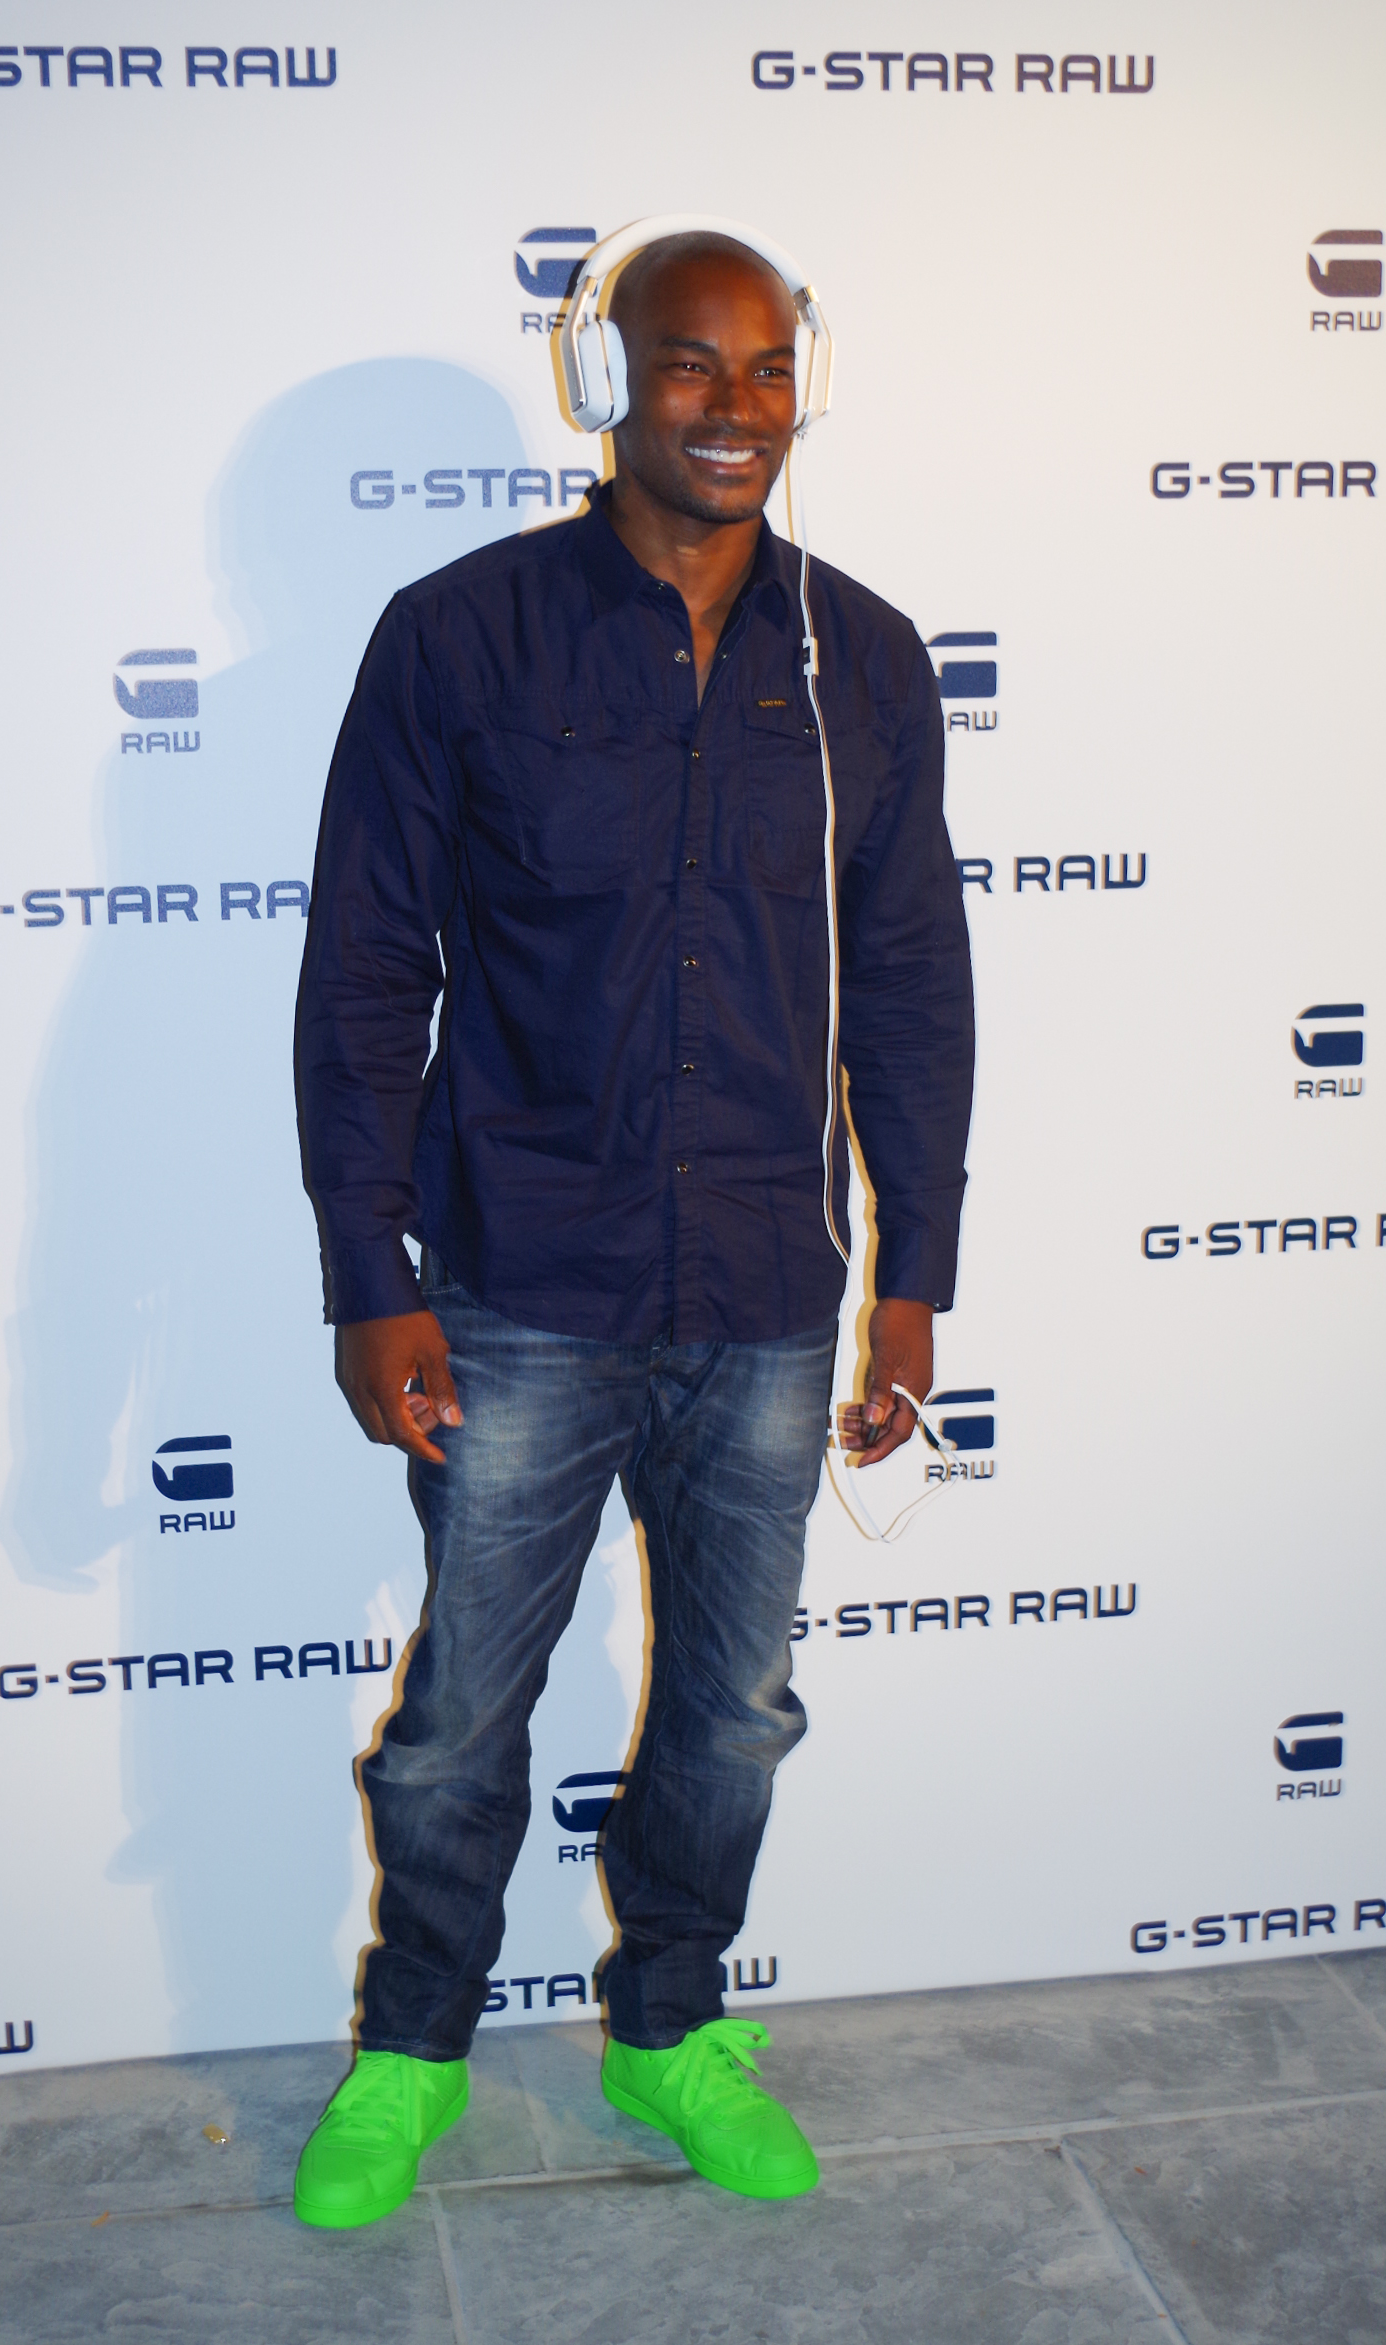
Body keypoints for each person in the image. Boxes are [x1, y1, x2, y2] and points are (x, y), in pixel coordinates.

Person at [290, 228, 975, 2228]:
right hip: (520, 1277)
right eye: (689, 364)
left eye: (764, 371)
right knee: (458, 1722)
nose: (733, 409)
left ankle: (672, 2028)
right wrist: (367, 1275)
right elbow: (365, 970)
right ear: (605, 383)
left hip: (766, 1285)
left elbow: (909, 979)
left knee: (733, 1713)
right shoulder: (460, 635)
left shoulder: (863, 660)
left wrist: (915, 1275)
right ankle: (414, 2051)